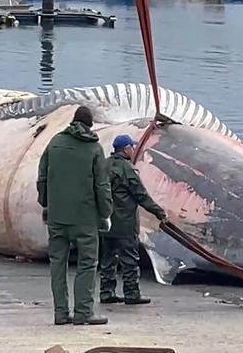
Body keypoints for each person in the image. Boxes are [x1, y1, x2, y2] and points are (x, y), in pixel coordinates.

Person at [37, 105, 112, 326]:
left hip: (57, 216)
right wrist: (106, 212)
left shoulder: (55, 142)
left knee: (57, 264)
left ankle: (60, 313)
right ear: (90, 124)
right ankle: (83, 312)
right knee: (87, 263)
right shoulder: (94, 149)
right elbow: (102, 185)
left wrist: (46, 203)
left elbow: (42, 177)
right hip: (85, 217)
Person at [99, 134, 168, 305]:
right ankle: (131, 294)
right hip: (125, 223)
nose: (134, 150)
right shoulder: (127, 169)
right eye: (132, 147)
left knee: (107, 259)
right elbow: (141, 195)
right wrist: (160, 213)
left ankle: (106, 293)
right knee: (129, 259)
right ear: (126, 149)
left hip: (105, 222)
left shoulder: (103, 166)